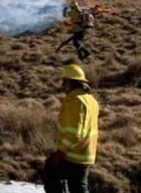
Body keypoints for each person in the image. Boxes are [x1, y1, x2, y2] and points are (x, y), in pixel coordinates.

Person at [43, 64, 100, 193]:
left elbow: (74, 133)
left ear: (70, 82)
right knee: (78, 187)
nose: (62, 85)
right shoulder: (91, 100)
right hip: (86, 155)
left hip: (73, 155)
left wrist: (61, 153)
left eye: (64, 81)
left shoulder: (75, 101)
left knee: (51, 172)